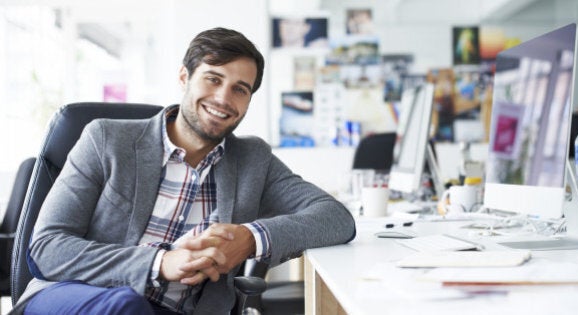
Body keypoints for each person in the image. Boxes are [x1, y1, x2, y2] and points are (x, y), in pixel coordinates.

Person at [14, 27, 356, 314]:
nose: (224, 98)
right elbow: (47, 248)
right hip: (80, 295)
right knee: (126, 306)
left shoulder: (253, 159)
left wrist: (251, 239)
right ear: (184, 77)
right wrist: (159, 263)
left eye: (240, 89)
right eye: (213, 79)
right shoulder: (106, 139)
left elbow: (336, 218)